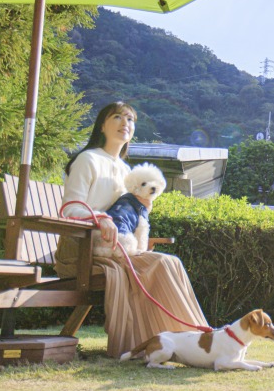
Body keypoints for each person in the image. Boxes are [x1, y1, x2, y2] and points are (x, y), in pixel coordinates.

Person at [57, 101, 208, 358]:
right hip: (84, 249)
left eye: (130, 119)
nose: (125, 123)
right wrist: (100, 218)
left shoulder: (127, 171)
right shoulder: (88, 159)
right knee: (161, 264)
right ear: (102, 125)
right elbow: (70, 209)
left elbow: (128, 215)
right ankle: (183, 343)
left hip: (116, 247)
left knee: (169, 263)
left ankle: (185, 341)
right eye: (117, 117)